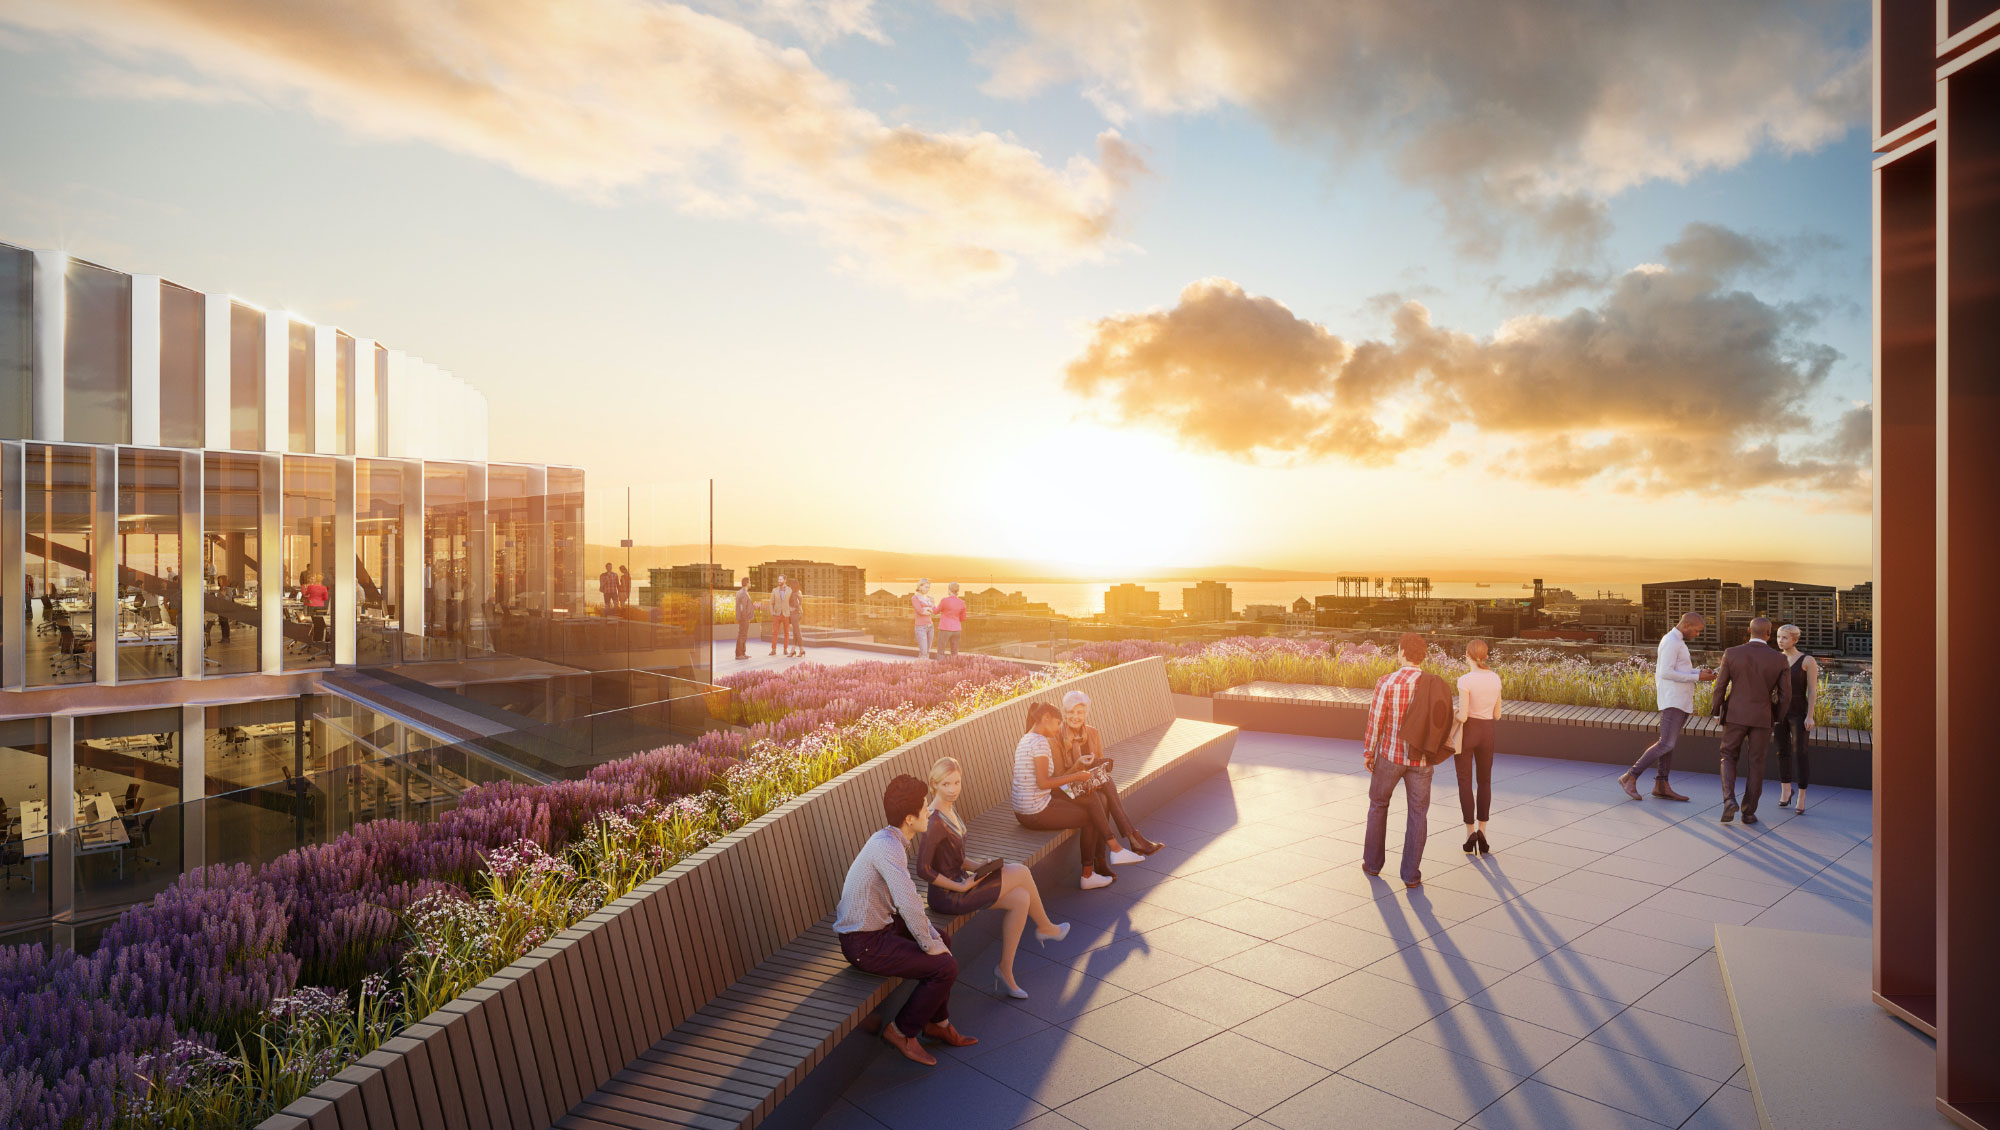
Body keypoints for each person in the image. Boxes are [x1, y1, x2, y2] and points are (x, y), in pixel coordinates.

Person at [833, 774, 976, 1065]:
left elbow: (906, 904)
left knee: (943, 940)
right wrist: (927, 943)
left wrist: (933, 941)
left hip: (879, 927)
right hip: (863, 943)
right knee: (945, 966)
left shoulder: (891, 838)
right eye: (925, 807)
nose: (929, 810)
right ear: (910, 818)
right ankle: (901, 1031)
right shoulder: (888, 848)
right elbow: (908, 901)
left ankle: (938, 1024)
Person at [919, 757, 1069, 1000]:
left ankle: (1004, 970)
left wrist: (980, 866)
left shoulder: (950, 807)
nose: (953, 789)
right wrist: (959, 884)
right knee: (1021, 871)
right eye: (946, 784)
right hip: (948, 896)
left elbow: (956, 857)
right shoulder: (934, 820)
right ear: (933, 785)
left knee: (1020, 899)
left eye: (957, 782)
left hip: (963, 883)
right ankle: (1045, 927)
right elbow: (923, 870)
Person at [1012, 701, 1145, 890]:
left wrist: (1079, 777)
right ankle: (1091, 873)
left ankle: (1115, 849)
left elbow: (1042, 783)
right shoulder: (1040, 742)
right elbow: (1043, 783)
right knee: (1090, 816)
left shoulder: (1027, 738)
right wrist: (1077, 776)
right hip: (1035, 812)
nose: (1058, 728)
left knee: (1092, 797)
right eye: (1057, 723)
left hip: (1026, 807)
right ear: (1046, 718)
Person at [1362, 633, 1435, 887]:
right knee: (1418, 814)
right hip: (1422, 760)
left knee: (1378, 805)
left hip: (1390, 756)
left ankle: (1372, 864)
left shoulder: (1387, 682)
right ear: (1422, 656)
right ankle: (1411, 876)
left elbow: (1375, 722)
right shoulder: (1433, 684)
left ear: (1402, 652)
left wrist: (1369, 752)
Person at [1618, 612, 1714, 803]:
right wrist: (1697, 677)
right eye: (1696, 630)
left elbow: (1680, 670)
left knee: (1668, 744)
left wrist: (1699, 673)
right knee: (1666, 744)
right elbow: (1665, 672)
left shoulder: (1677, 641)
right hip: (1672, 699)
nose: (1697, 634)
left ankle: (1661, 785)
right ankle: (1630, 776)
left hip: (1680, 699)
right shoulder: (1671, 641)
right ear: (1686, 625)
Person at [1056, 691, 1164, 855]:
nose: (1075, 717)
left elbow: (1099, 760)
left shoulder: (1092, 733)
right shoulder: (1057, 736)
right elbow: (1060, 777)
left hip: (1090, 784)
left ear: (1086, 714)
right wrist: (1079, 768)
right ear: (1064, 712)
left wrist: (1098, 770)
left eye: (1080, 712)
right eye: (1071, 712)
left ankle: (1105, 857)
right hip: (1068, 787)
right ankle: (1132, 837)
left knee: (1104, 792)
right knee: (1105, 788)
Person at [1711, 616, 1794, 825]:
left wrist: (1715, 711)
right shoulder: (1779, 659)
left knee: (1728, 756)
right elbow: (1786, 696)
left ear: (1749, 631)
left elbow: (1720, 686)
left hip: (1735, 715)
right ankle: (1748, 813)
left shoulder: (1732, 653)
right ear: (1769, 634)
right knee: (1757, 764)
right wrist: (1777, 718)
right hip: (1762, 717)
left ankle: (1729, 799)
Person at [1454, 640, 1502, 855]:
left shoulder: (1465, 680)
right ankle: (1483, 831)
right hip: (1487, 733)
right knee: (1485, 782)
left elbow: (1463, 716)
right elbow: (1497, 714)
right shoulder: (1495, 678)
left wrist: (1453, 712)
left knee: (1465, 783)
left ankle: (1469, 833)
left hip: (1468, 733)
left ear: (1467, 656)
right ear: (1485, 656)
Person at [1772, 623, 1820, 814]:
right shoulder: (1776, 659)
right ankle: (1786, 791)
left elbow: (1813, 690)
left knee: (1800, 753)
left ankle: (1801, 795)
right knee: (1781, 752)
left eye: (1784, 637)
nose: (1780, 641)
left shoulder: (1807, 660)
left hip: (1799, 712)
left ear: (1794, 639)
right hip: (1779, 711)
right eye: (1778, 637)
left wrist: (1810, 716)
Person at [936, 582, 967, 658]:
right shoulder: (962, 602)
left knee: (941, 651)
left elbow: (935, 611)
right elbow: (963, 618)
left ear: (949, 590)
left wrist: (932, 604)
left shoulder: (944, 600)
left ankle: (940, 668)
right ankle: (954, 668)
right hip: (957, 630)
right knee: (954, 652)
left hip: (945, 628)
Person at [912, 579, 937, 659]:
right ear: (920, 586)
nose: (928, 589)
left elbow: (934, 610)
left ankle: (920, 668)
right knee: (924, 652)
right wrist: (927, 609)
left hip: (930, 626)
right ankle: (922, 669)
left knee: (927, 651)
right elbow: (920, 611)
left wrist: (929, 607)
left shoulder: (928, 598)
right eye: (926, 587)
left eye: (928, 588)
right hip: (920, 627)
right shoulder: (915, 598)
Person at [303, 572, 330, 645]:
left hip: (311, 605)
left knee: (313, 621)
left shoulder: (310, 587)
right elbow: (326, 598)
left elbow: (306, 594)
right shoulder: (324, 588)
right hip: (320, 606)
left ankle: (312, 638)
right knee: (320, 622)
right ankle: (320, 639)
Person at [767, 574, 791, 656]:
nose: (779, 581)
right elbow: (771, 603)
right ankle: (773, 650)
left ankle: (785, 649)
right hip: (776, 614)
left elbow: (792, 602)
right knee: (775, 632)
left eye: (780, 579)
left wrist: (790, 611)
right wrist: (772, 612)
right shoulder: (774, 590)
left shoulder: (790, 590)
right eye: (778, 579)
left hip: (786, 614)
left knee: (786, 633)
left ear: (785, 580)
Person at [733, 578, 753, 660]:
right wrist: (745, 617)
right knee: (742, 635)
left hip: (743, 617)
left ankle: (743, 653)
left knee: (743, 635)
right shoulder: (743, 593)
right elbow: (742, 607)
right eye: (750, 582)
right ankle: (739, 654)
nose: (750, 584)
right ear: (747, 583)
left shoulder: (740, 592)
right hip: (744, 618)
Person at [787, 580, 805, 657]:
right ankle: (793, 650)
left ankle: (802, 650)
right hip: (799, 614)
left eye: (790, 585)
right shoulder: (799, 592)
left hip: (794, 615)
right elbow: (799, 604)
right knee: (795, 633)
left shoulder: (794, 594)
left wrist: (790, 608)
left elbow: (796, 604)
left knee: (797, 633)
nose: (789, 586)